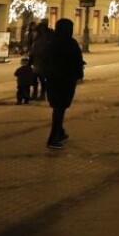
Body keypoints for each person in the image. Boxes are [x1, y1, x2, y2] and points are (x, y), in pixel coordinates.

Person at [40, 18, 85, 149]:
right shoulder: (71, 44)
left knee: (58, 108)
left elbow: (45, 61)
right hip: (65, 81)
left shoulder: (52, 43)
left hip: (53, 81)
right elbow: (77, 60)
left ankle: (60, 132)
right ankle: (53, 138)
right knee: (60, 108)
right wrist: (79, 74)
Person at [29, 18, 53, 102]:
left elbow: (39, 51)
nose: (33, 33)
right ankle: (36, 94)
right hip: (37, 61)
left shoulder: (41, 40)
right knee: (35, 78)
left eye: (34, 32)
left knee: (41, 78)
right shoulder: (38, 39)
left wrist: (33, 55)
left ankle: (41, 94)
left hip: (41, 61)